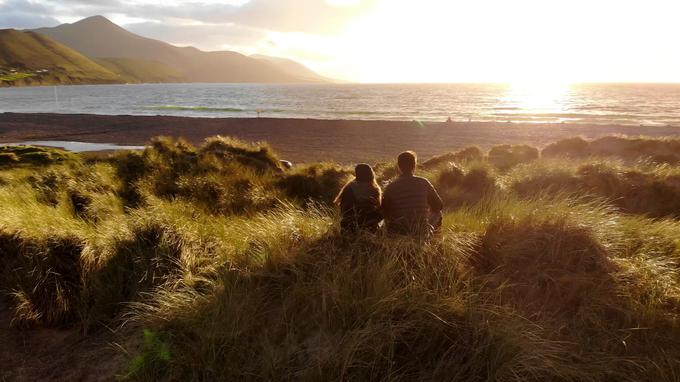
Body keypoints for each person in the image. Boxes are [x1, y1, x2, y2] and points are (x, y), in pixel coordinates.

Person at [382, 151, 443, 236]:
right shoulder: (423, 182)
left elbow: (385, 211)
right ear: (414, 165)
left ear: (399, 166)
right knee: (438, 213)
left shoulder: (390, 187)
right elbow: (438, 206)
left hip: (397, 232)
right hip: (420, 232)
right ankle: (432, 241)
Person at [334, 163, 383, 233]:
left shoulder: (348, 188)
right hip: (369, 228)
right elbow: (378, 208)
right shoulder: (374, 189)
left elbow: (343, 209)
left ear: (357, 174)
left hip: (347, 227)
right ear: (371, 174)